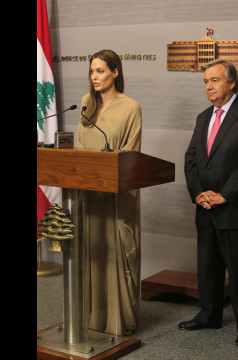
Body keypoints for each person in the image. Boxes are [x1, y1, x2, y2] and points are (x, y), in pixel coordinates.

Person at [181, 59, 238, 347]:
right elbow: (191, 159)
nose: (208, 86)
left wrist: (224, 194)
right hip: (205, 207)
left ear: (232, 83)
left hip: (237, 208)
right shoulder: (203, 117)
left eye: (214, 80)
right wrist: (198, 193)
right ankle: (209, 316)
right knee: (208, 268)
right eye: (205, 81)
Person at [77, 49, 142, 336]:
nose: (94, 76)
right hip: (88, 193)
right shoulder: (85, 104)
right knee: (92, 254)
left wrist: (107, 182)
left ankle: (118, 320)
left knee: (115, 253)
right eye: (92, 71)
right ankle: (93, 318)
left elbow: (131, 153)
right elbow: (79, 149)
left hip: (116, 195)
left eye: (100, 70)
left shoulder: (131, 107)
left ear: (115, 73)